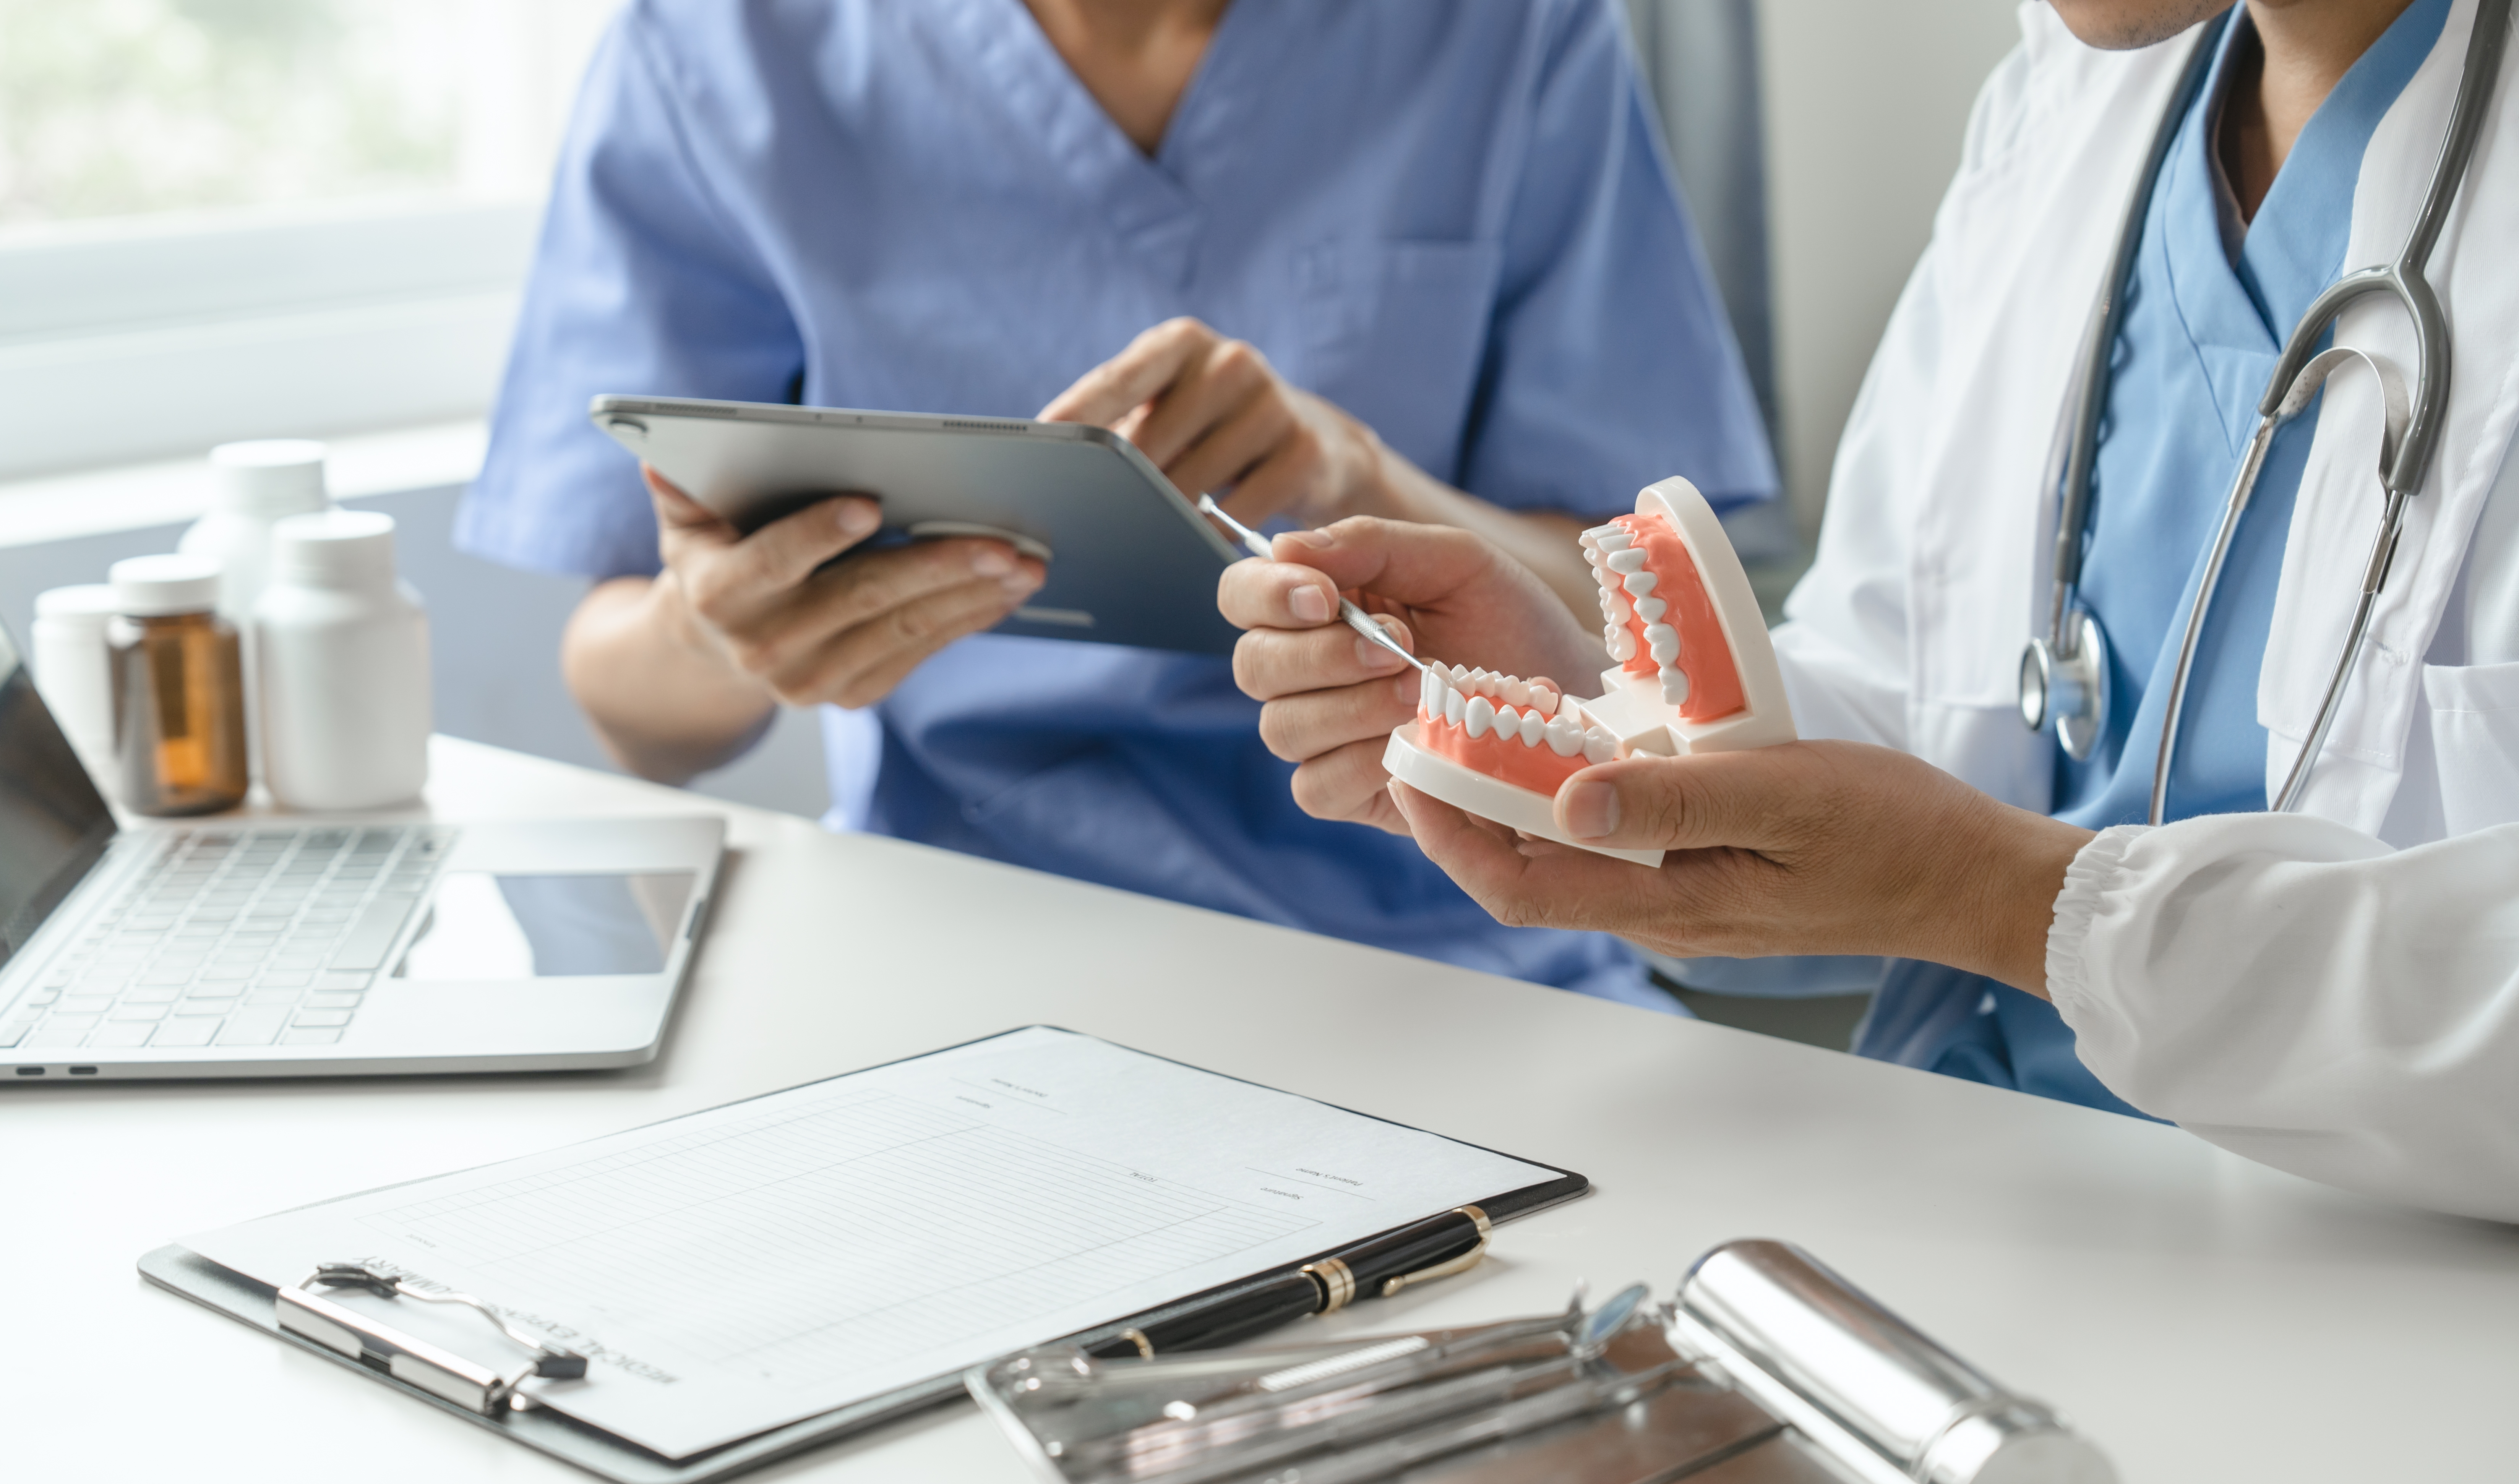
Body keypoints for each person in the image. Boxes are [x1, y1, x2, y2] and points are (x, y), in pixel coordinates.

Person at [1220, 0, 2519, 1220]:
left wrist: (1999, 899)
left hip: (2378, 1278)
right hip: (1980, 1180)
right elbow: (1907, 688)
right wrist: (1613, 744)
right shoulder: (2076, 104)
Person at [457, 0, 1776, 1011]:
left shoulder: (1506, 34)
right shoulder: (726, 48)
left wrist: (1359, 478)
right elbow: (632, 709)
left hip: (1460, 950)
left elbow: (1644, 637)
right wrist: (718, 637)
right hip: (953, 952)